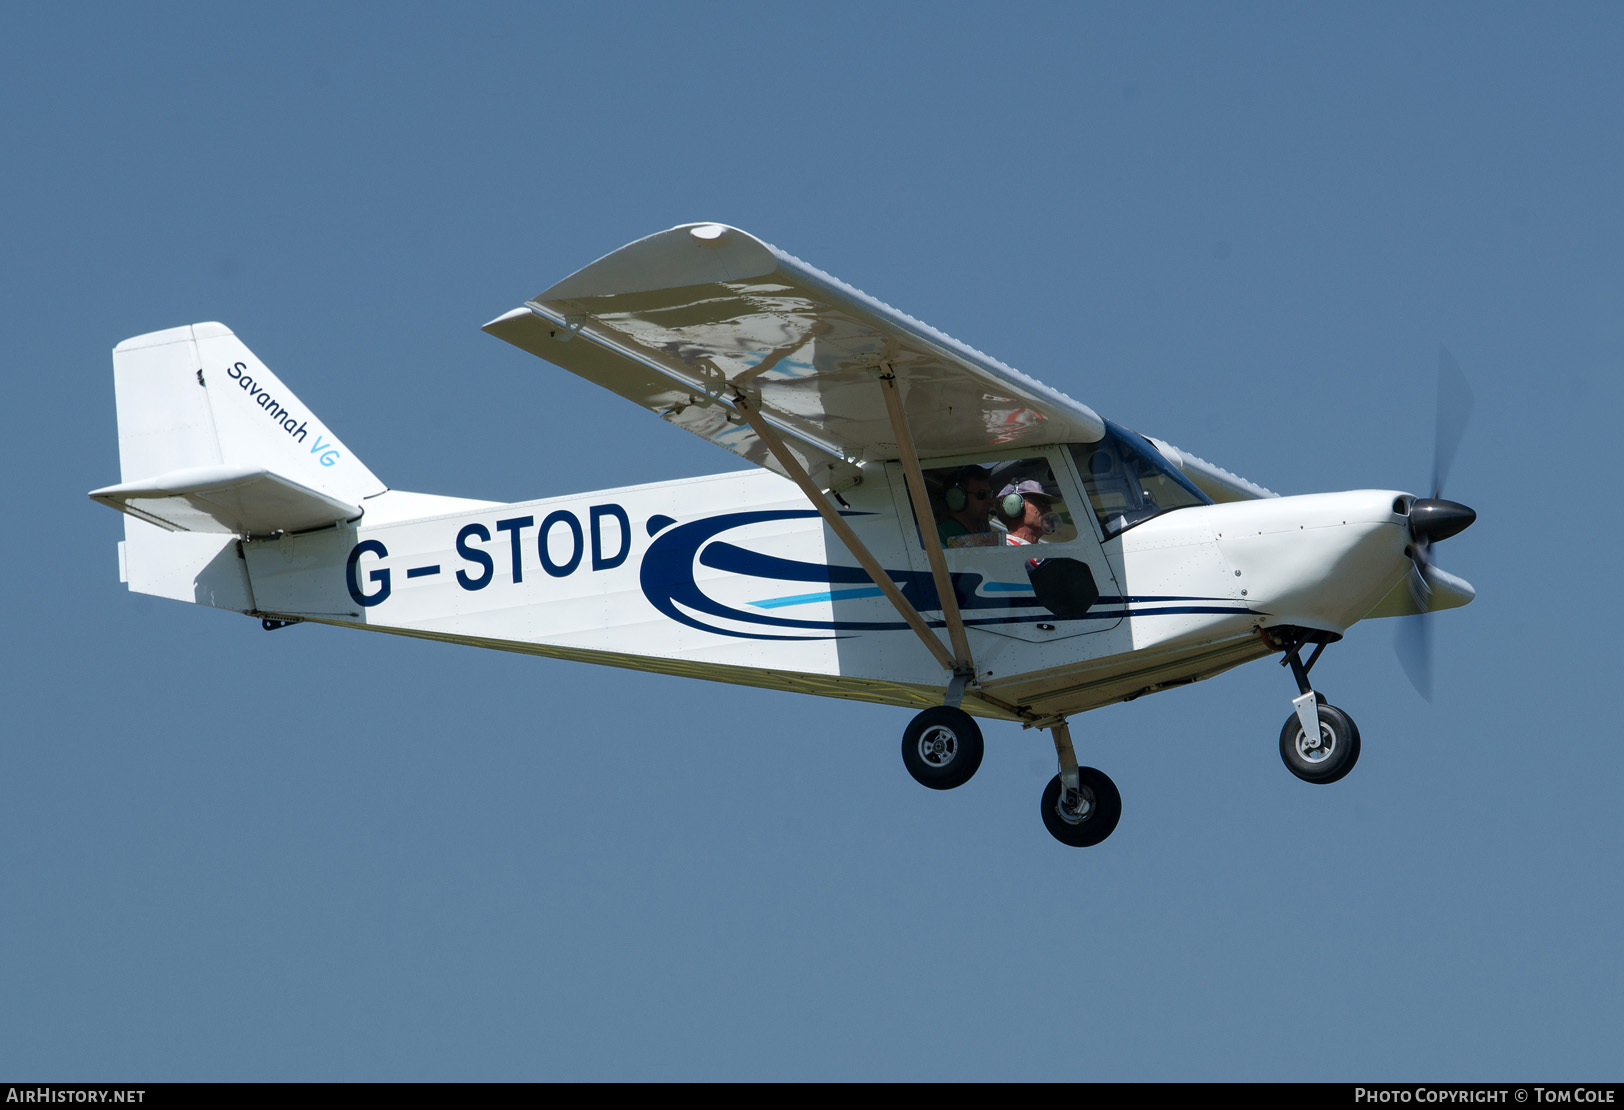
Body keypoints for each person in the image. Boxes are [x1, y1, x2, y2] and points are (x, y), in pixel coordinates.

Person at [936, 466, 996, 546]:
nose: (990, 501)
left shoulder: (977, 534)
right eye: (981, 494)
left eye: (990, 494)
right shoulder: (946, 536)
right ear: (957, 497)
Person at [996, 479, 1055, 545]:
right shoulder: (1001, 549)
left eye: (1048, 505)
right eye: (1042, 503)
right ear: (1014, 504)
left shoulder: (1041, 552)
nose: (1049, 511)